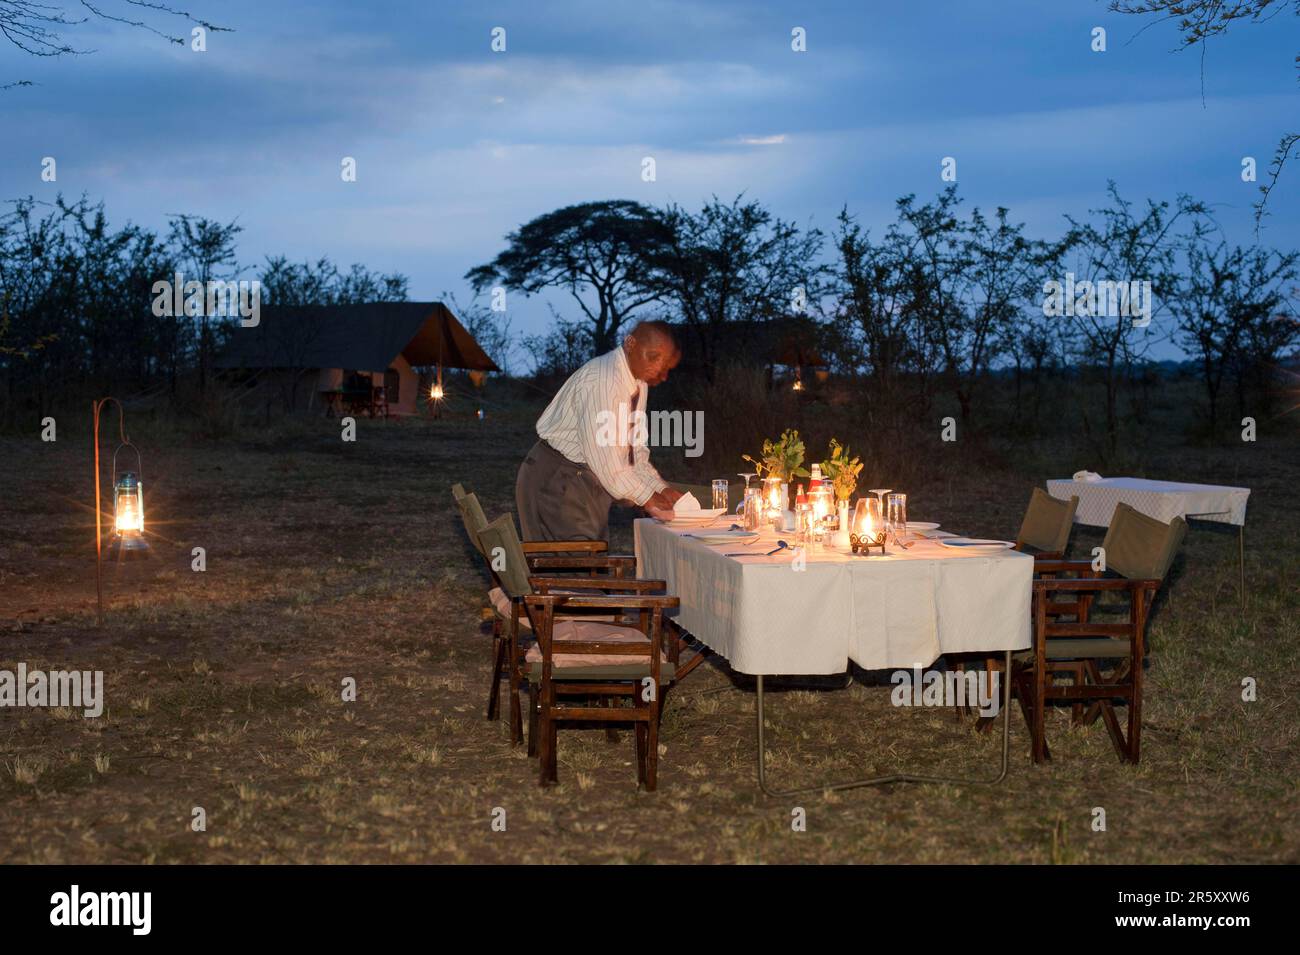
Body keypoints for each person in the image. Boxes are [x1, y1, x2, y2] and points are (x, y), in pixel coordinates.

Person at [516, 320, 684, 541]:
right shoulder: (603, 381)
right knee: (576, 564)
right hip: (559, 479)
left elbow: (634, 452)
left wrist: (660, 489)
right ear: (630, 343)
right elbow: (609, 463)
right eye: (652, 357)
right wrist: (648, 498)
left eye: (665, 367)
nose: (657, 371)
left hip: (585, 479)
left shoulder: (638, 382)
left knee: (591, 559)